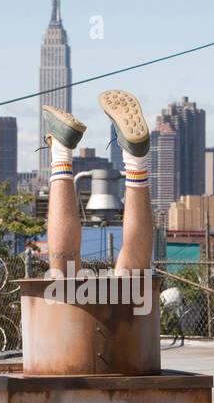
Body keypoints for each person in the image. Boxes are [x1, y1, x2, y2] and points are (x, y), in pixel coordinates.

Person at [41, 90, 152, 278]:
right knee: (133, 273)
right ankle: (135, 161)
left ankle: (61, 148)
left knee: (64, 272)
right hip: (127, 306)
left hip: (75, 306)